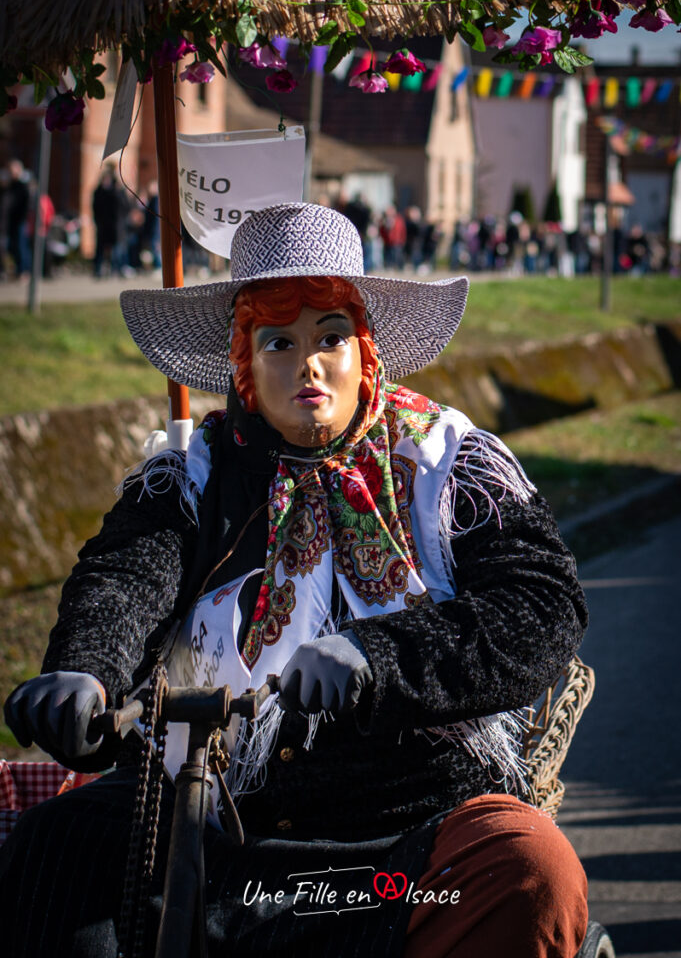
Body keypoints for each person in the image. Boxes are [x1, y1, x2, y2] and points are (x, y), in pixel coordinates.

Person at [1, 203, 588, 957]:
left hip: (399, 843)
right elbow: (125, 578)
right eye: (278, 341)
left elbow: (538, 607)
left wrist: (376, 657)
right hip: (215, 829)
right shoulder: (193, 477)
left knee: (528, 870)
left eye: (330, 337)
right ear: (244, 361)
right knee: (58, 845)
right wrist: (85, 670)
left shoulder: (448, 464)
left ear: (364, 350)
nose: (307, 365)